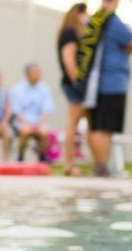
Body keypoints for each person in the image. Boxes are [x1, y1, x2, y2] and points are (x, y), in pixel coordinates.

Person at [78, 0, 132, 177]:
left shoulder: (94, 20)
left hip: (93, 83)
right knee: (105, 127)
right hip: (112, 82)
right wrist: (125, 52)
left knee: (96, 124)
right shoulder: (112, 20)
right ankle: (103, 166)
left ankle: (99, 165)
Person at [57, 2, 89, 175]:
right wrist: (79, 83)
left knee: (78, 123)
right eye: (85, 15)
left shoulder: (66, 32)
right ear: (78, 14)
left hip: (72, 83)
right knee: (72, 124)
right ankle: (68, 164)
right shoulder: (70, 33)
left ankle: (71, 163)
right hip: (73, 84)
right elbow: (69, 60)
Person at [10, 63, 55, 162]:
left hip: (39, 122)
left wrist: (38, 123)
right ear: (28, 74)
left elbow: (47, 109)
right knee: (25, 131)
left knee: (44, 131)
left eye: (40, 72)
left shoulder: (44, 89)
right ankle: (20, 156)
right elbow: (16, 111)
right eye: (36, 72)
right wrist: (27, 124)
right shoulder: (17, 89)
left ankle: (43, 157)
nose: (39, 74)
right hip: (22, 122)